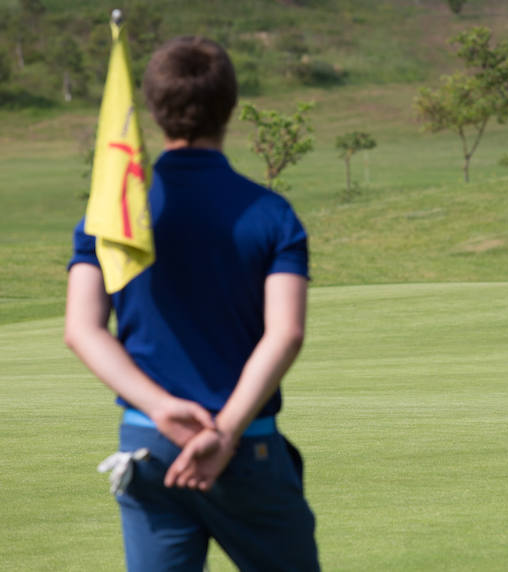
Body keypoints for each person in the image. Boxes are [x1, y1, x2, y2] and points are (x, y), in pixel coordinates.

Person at [64, 36, 320, 570]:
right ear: (229, 106)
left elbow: (82, 330)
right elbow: (286, 333)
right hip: (247, 446)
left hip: (148, 443)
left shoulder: (108, 216)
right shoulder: (273, 214)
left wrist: (160, 409)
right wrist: (223, 432)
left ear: (155, 111)